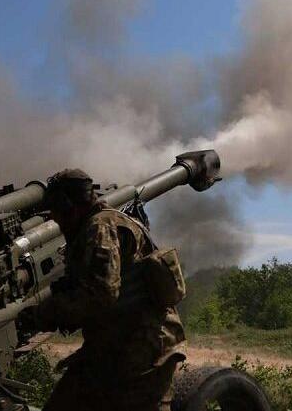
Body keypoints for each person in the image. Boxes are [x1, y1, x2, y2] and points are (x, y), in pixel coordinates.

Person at [36, 169, 186, 411]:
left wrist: (45, 313)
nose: (55, 219)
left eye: (56, 211)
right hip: (114, 343)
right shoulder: (99, 224)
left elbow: (102, 293)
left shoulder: (100, 228)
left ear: (68, 206)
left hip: (144, 347)